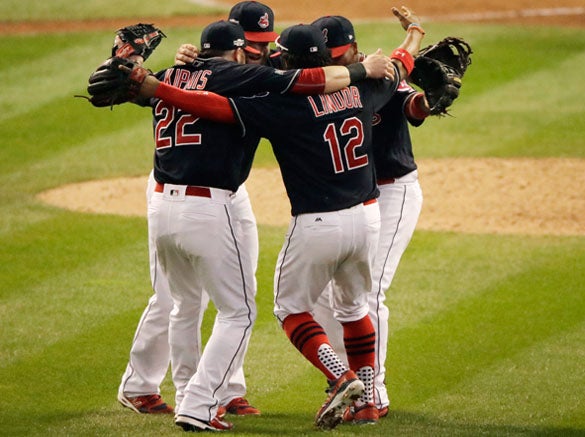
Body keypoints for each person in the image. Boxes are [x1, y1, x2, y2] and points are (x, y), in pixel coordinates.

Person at [125, 7, 423, 429]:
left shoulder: (283, 109)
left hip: (317, 226)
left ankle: (341, 376)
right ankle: (370, 399)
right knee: (355, 308)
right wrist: (413, 37)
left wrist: (158, 85)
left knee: (290, 311)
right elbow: (396, 68)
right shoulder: (363, 92)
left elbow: (210, 107)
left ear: (288, 59)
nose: (268, 57)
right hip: (368, 218)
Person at [118, 0, 283, 418]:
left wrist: (175, 71)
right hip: (184, 190)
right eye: (254, 43)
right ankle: (154, 386)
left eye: (267, 41)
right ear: (236, 41)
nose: (262, 49)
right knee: (177, 298)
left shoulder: (216, 64)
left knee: (234, 293)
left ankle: (223, 389)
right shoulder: (237, 69)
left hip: (221, 190)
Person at [309, 14, 432, 423]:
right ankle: (347, 382)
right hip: (355, 200)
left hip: (393, 191)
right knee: (330, 296)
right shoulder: (318, 78)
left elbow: (411, 102)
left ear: (353, 48)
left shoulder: (380, 75)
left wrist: (425, 99)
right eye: (328, 55)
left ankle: (374, 392)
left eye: (340, 53)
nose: (335, 60)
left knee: (369, 291)